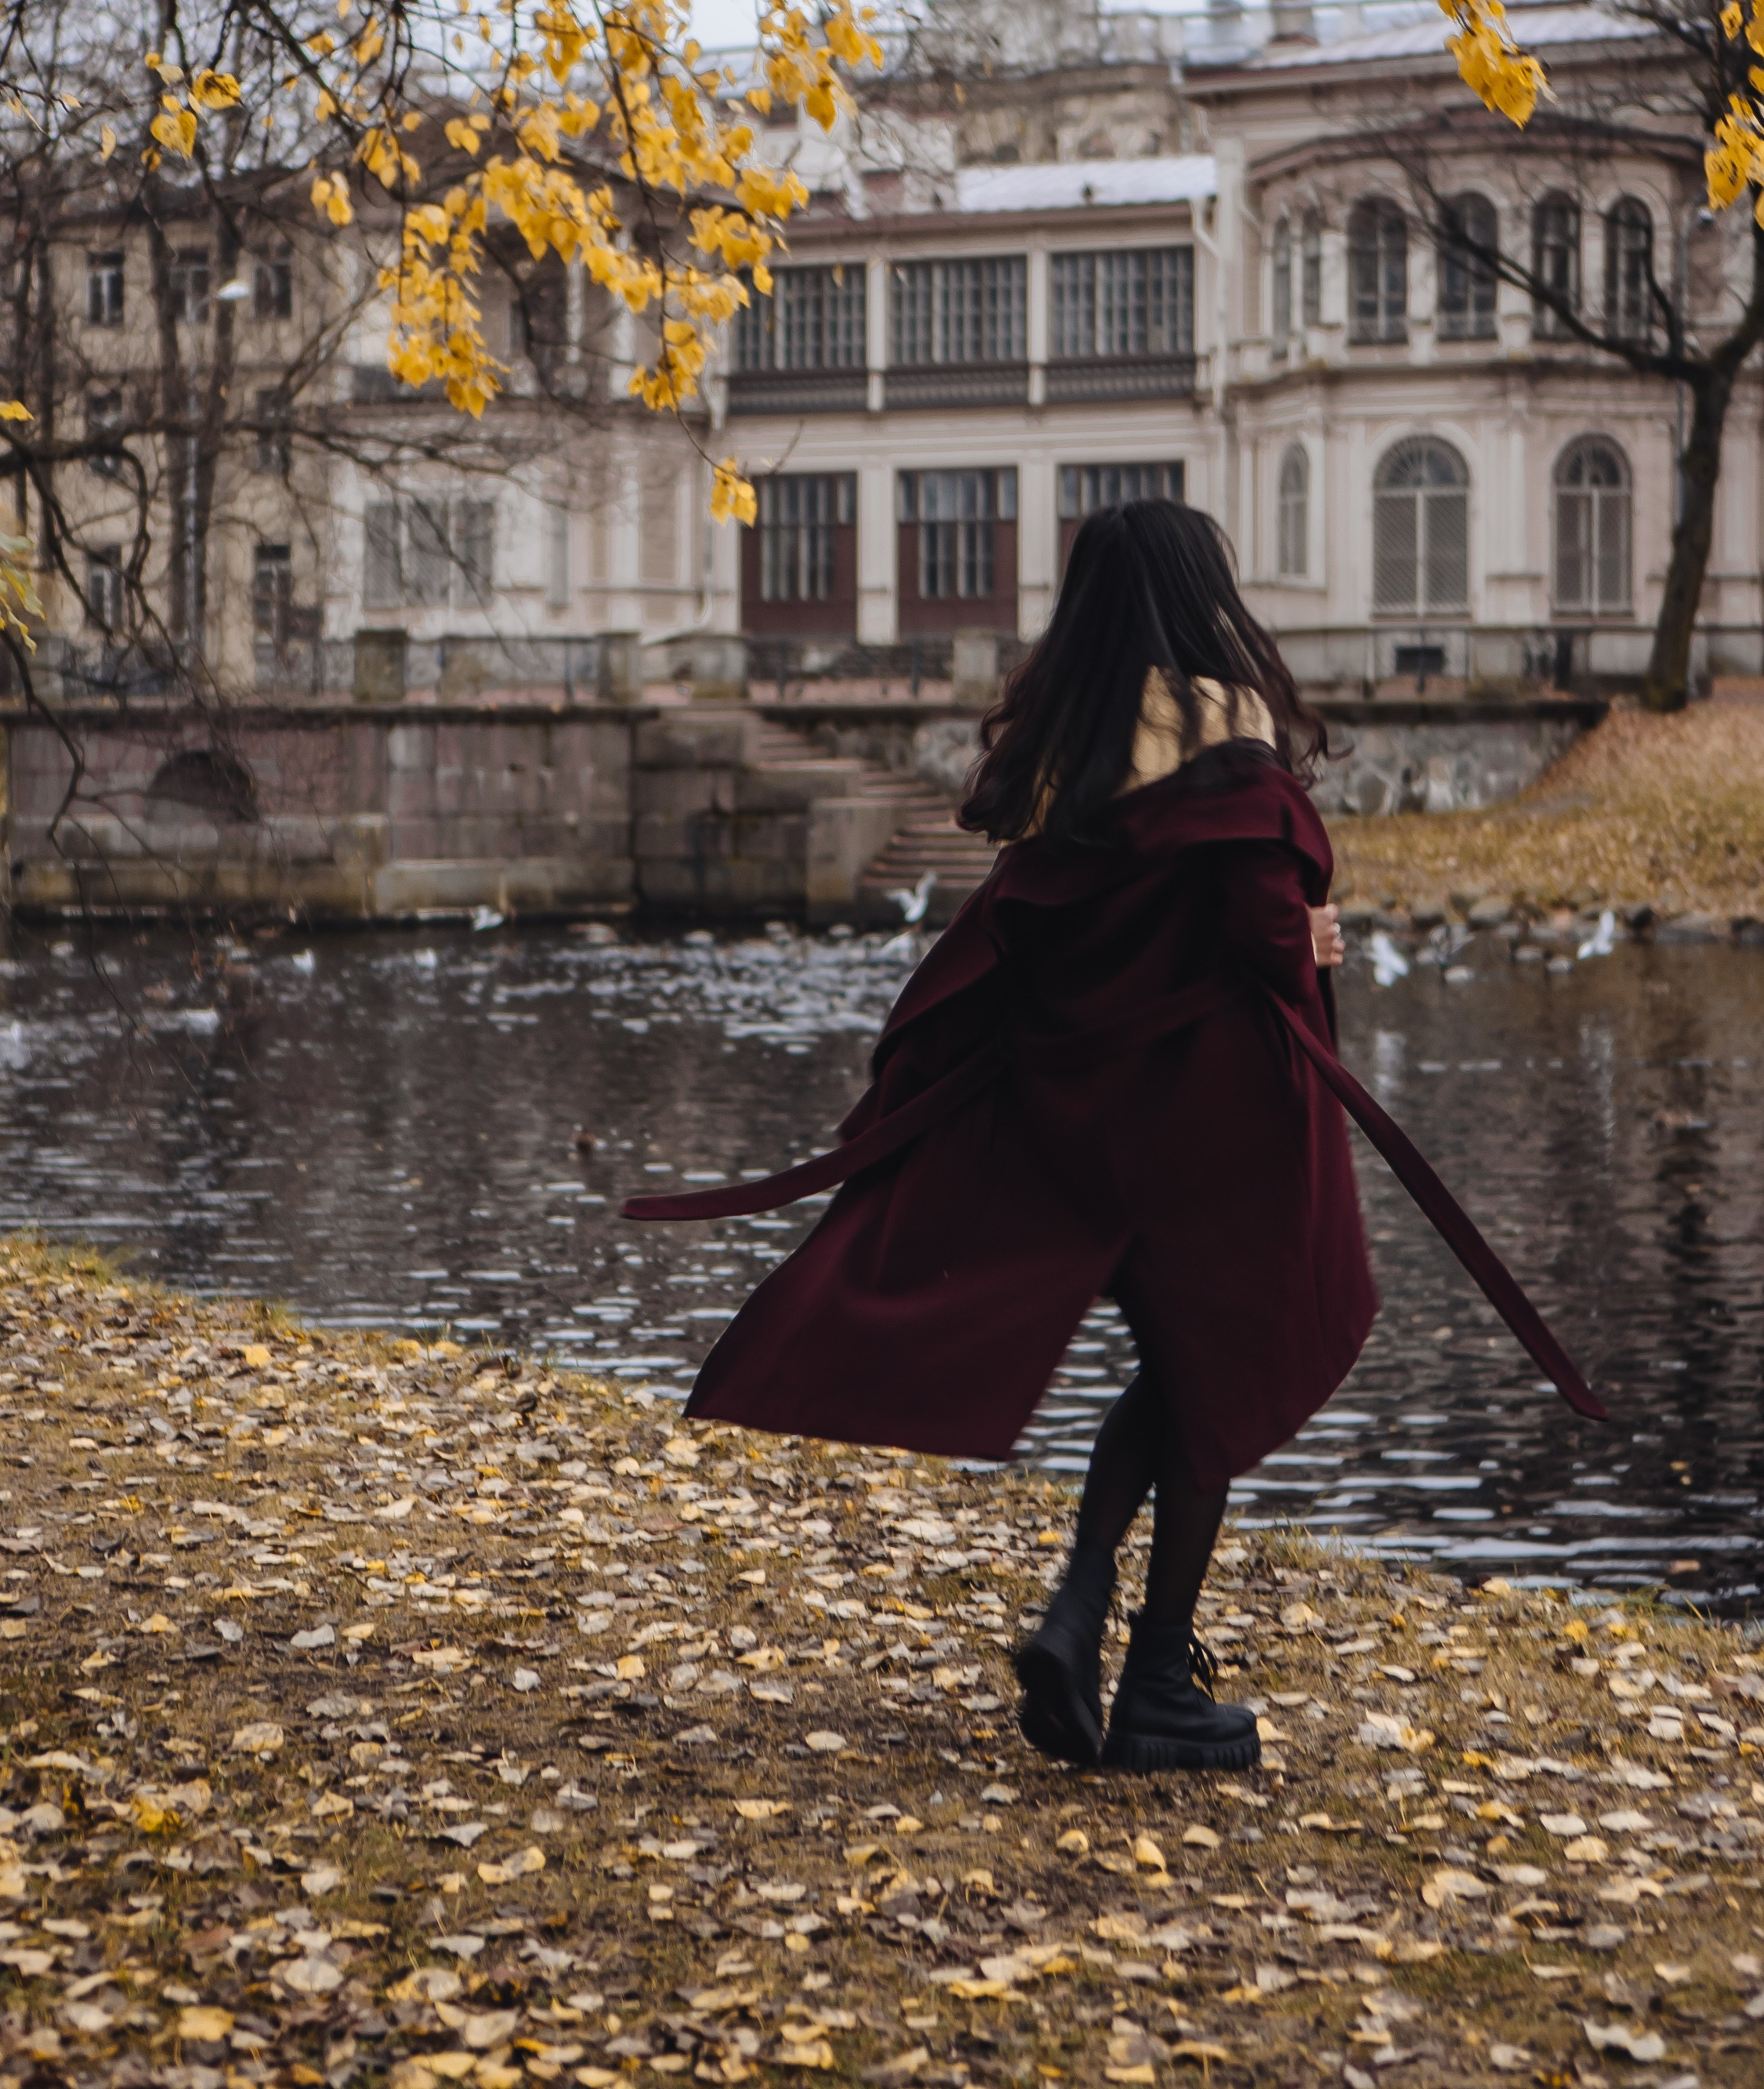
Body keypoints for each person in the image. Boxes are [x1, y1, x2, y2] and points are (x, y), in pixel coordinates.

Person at [626, 499, 1602, 1775]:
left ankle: (1084, 1614)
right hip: (1215, 1124)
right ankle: (1151, 1680)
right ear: (1201, 594)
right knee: (1221, 1378)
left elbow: (1042, 938)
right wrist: (1316, 939)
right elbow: (1263, 929)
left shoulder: (1064, 752)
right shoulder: (1223, 738)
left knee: (1188, 1376)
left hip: (1083, 1122)